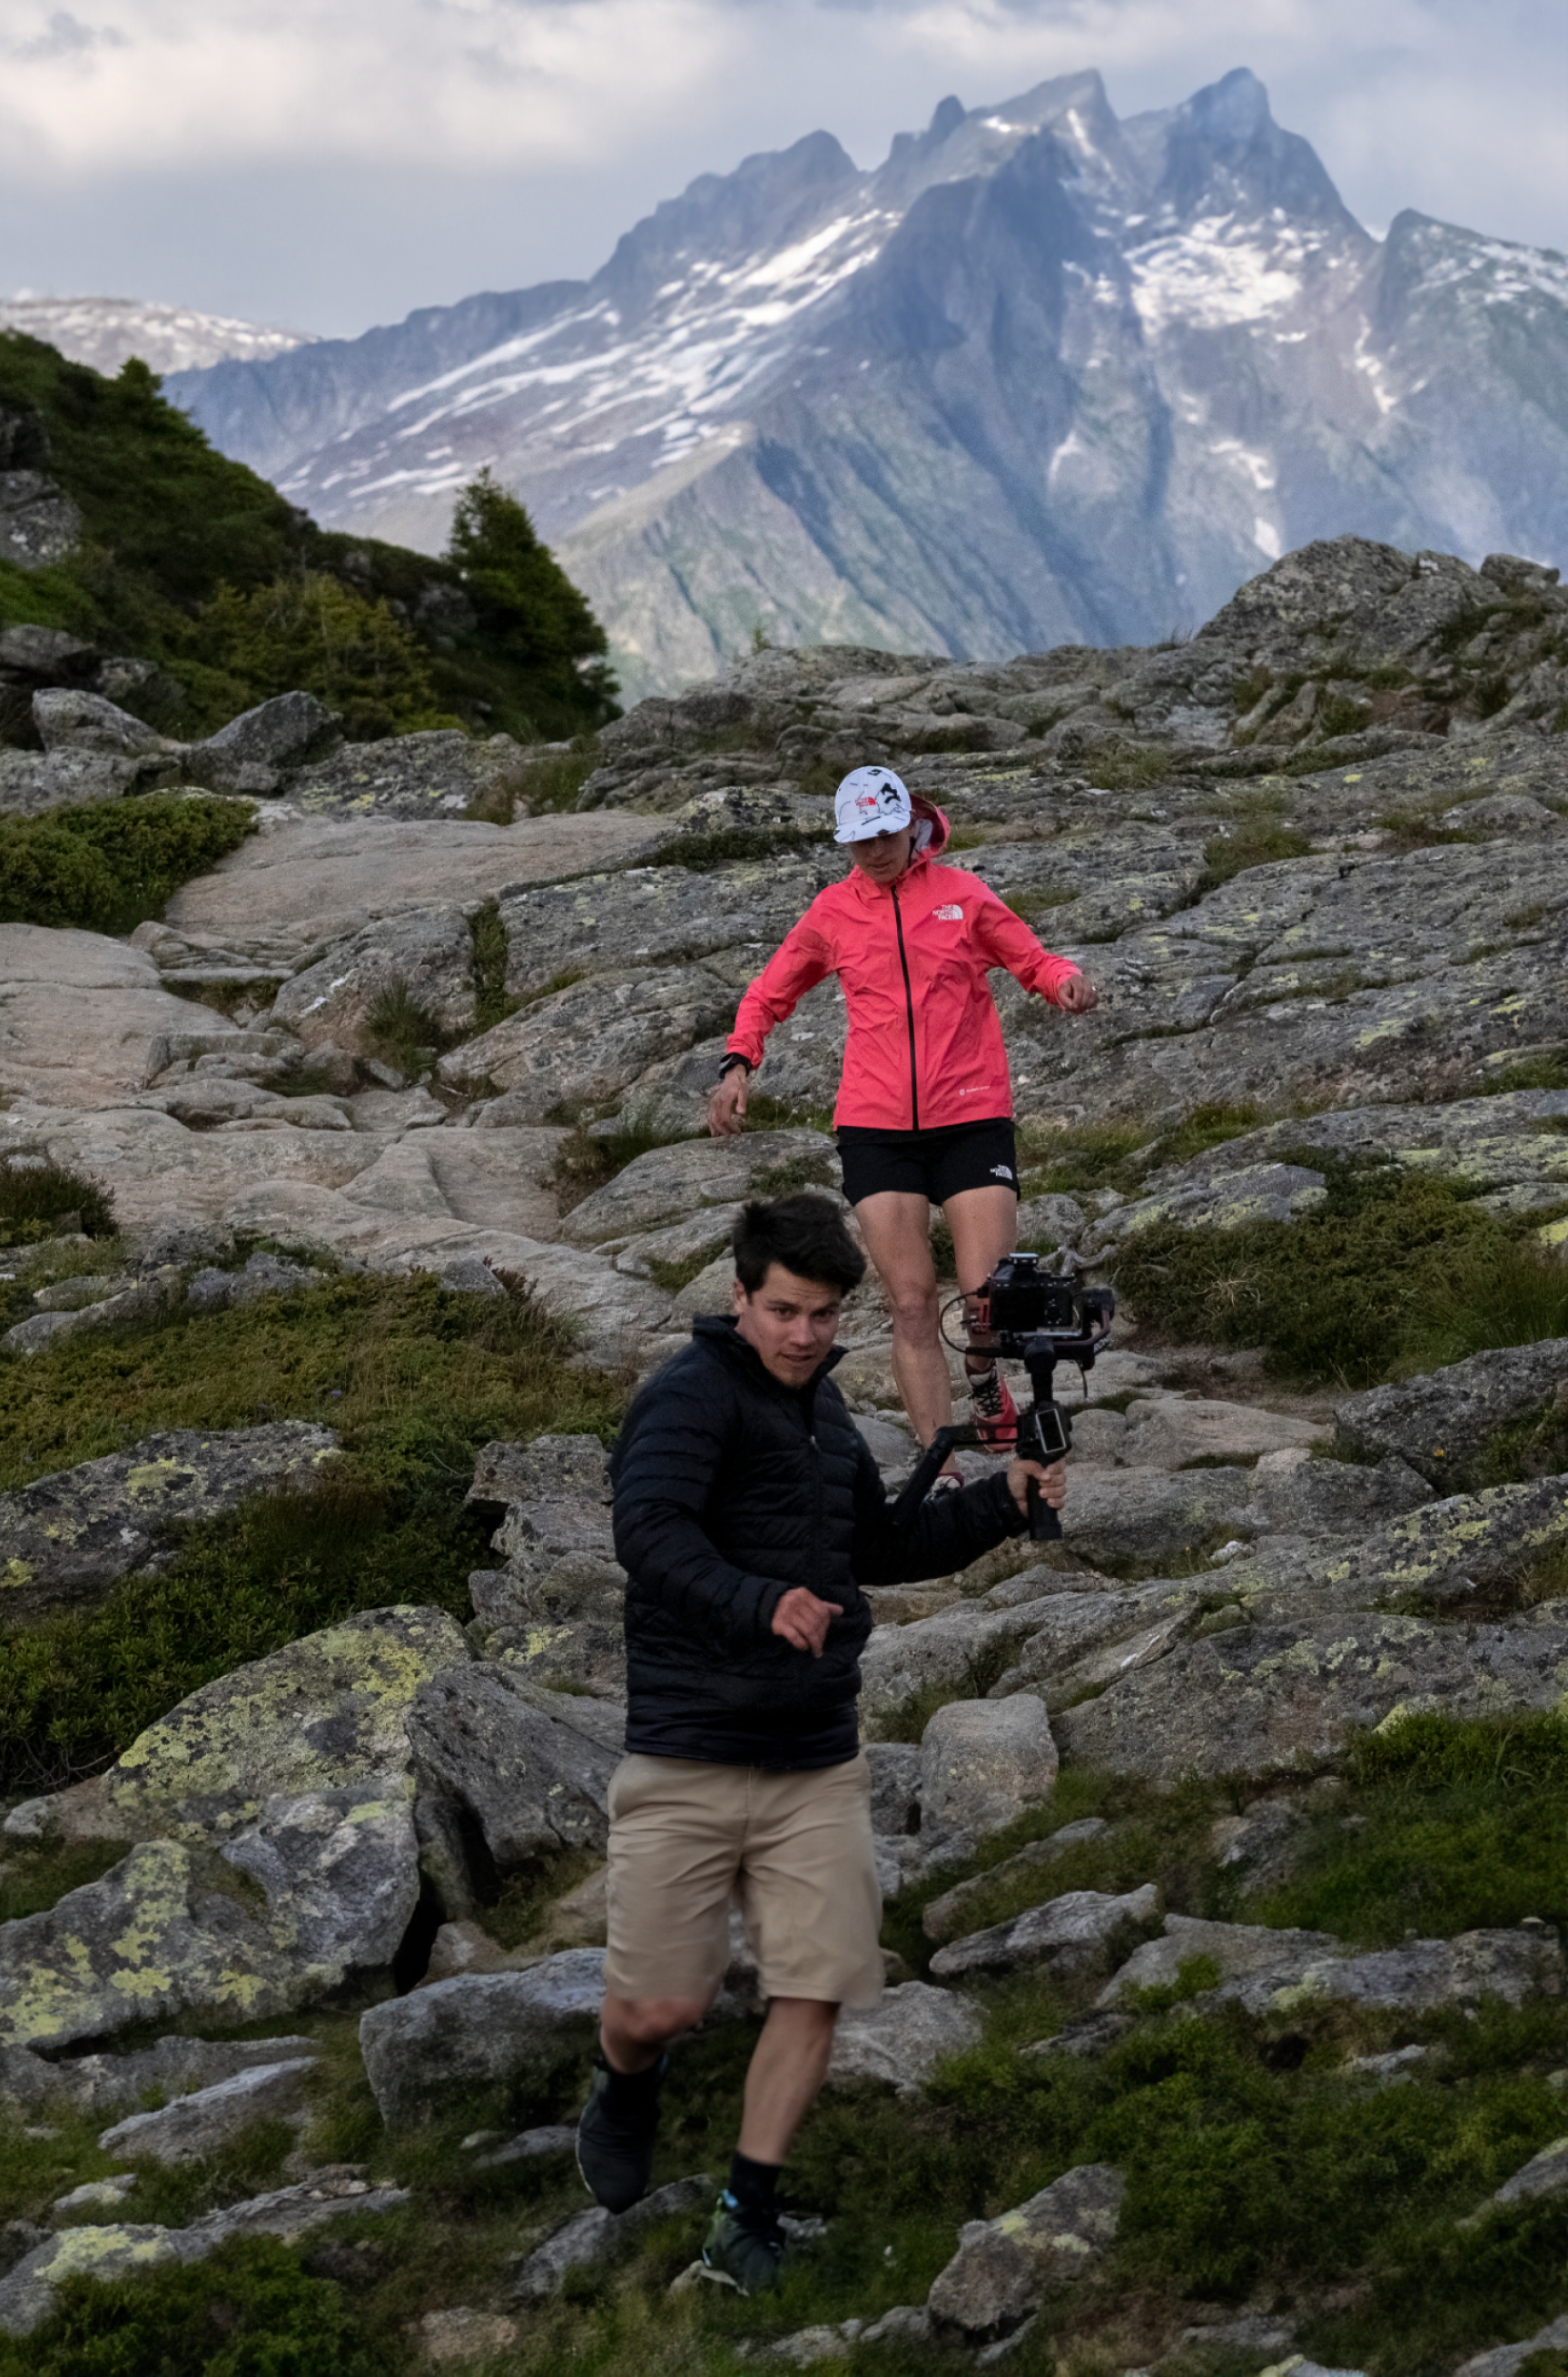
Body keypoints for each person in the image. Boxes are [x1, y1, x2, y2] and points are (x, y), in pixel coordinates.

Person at [575, 1191, 1065, 2291]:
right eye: (785, 1311)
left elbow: (877, 1548)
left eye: (825, 1315)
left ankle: (743, 2215)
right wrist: (761, 1603)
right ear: (740, 1297)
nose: (804, 1335)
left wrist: (1002, 1500)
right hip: (691, 1746)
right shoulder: (687, 1398)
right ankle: (627, 2077)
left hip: (814, 1752)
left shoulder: (827, 1413)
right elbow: (647, 1533)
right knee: (660, 2008)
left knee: (814, 1985)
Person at [708, 764, 1098, 1452]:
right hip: (875, 1126)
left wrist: (1064, 980)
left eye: (885, 836)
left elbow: (1032, 959)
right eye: (860, 841)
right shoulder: (832, 912)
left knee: (988, 1302)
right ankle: (939, 1462)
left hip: (971, 1113)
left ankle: (983, 1375)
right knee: (913, 1302)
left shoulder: (962, 896)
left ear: (912, 827)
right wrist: (739, 1063)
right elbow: (768, 993)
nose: (875, 852)